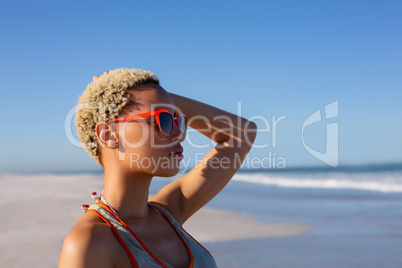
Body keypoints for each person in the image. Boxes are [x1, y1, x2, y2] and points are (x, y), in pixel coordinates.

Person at [59, 68, 257, 268]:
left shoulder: (170, 211)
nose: (179, 134)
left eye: (178, 120)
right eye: (162, 120)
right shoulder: (89, 242)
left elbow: (243, 134)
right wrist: (115, 93)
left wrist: (159, 97)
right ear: (109, 135)